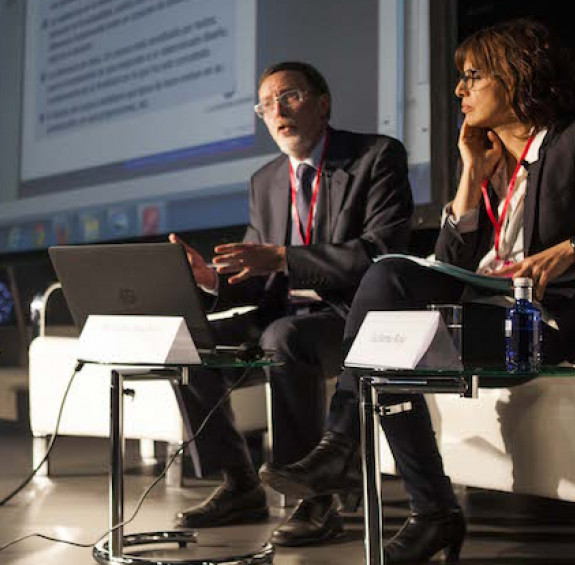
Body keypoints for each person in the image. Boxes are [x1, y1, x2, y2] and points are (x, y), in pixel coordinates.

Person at [260, 19, 575, 563]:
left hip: (544, 320)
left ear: (517, 76)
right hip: (484, 306)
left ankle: (364, 462)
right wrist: (469, 175)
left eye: (472, 76)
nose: (459, 90)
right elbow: (452, 262)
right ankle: (424, 504)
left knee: (388, 289)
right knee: (390, 336)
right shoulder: (493, 164)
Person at [169, 61, 413, 545]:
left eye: (290, 97)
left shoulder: (375, 157)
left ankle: (313, 497)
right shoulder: (266, 180)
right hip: (282, 314)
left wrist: (282, 257)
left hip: (352, 317)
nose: (277, 110)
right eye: (266, 105)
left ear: (323, 104)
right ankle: (239, 483)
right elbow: (256, 277)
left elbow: (377, 256)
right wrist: (211, 279)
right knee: (187, 340)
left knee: (284, 337)